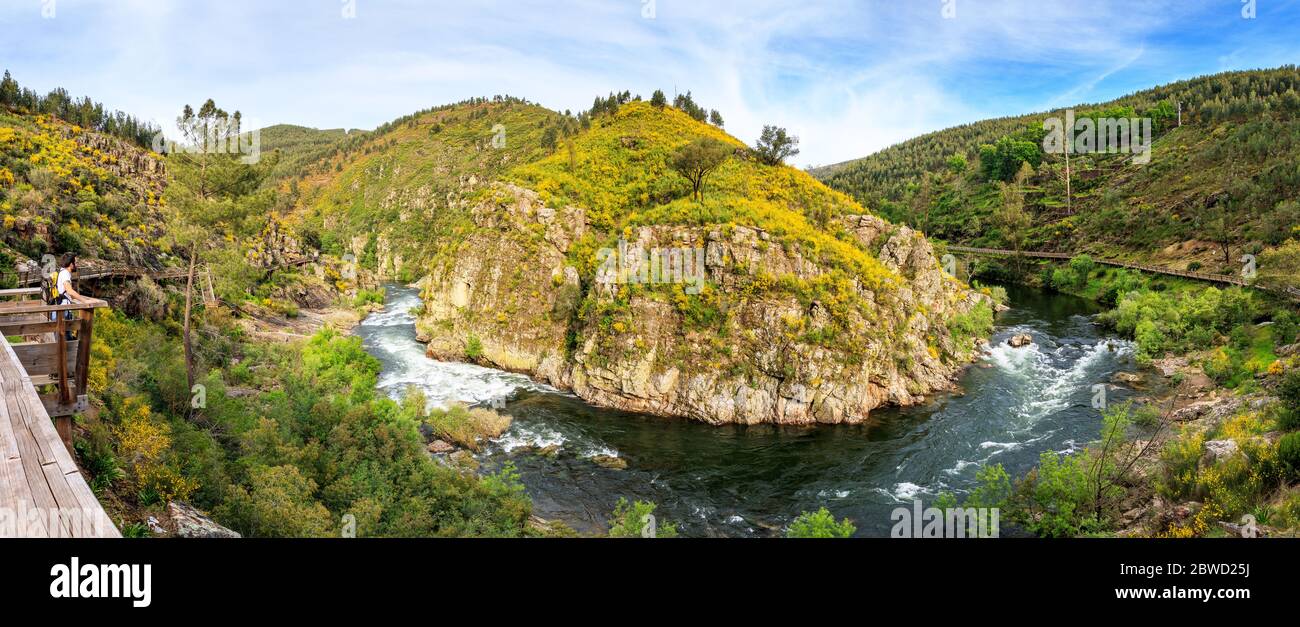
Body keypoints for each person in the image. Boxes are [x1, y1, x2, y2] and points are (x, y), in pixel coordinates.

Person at [50, 253, 86, 340]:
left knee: (62, 338)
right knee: (65, 339)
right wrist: (84, 300)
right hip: (64, 310)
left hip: (59, 308)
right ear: (71, 264)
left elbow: (65, 292)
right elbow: (69, 290)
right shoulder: (65, 273)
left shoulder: (61, 272)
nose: (76, 265)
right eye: (75, 262)